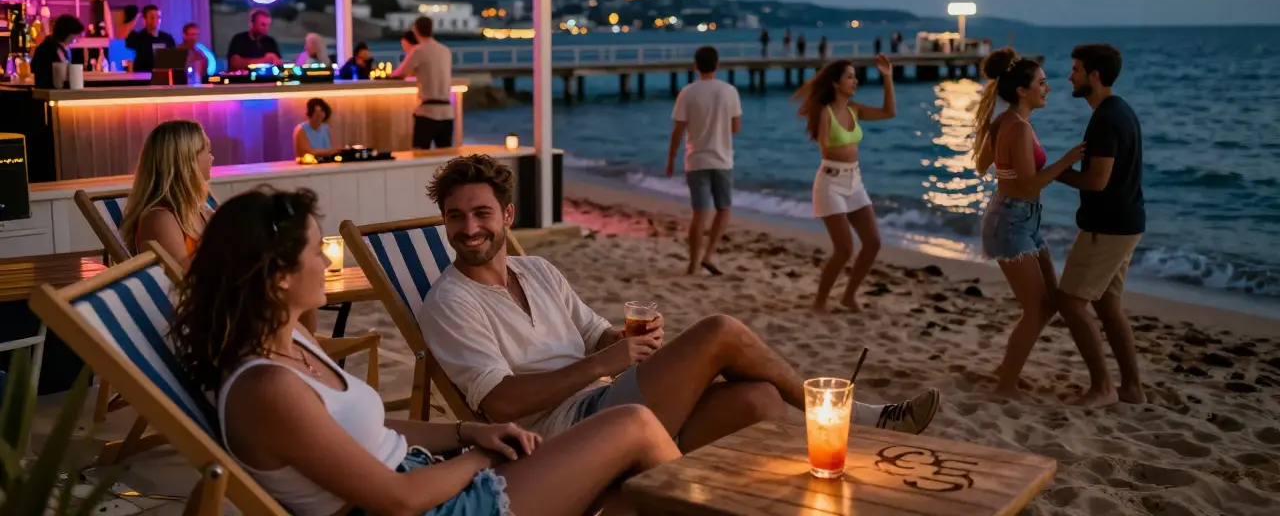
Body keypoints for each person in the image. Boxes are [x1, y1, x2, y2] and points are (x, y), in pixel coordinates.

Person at [171, 187, 680, 516]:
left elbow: (372, 431)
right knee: (632, 425)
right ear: (280, 277)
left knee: (625, 495)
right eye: (314, 251)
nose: (327, 262)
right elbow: (396, 499)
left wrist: (466, 431)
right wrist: (478, 457)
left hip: (435, 483)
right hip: (430, 506)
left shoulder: (291, 346)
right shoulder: (267, 388)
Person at [418, 155, 941, 454]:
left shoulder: (538, 270)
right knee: (718, 331)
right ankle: (859, 417)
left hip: (612, 403)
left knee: (758, 399)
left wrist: (626, 343)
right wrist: (603, 364)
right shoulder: (451, 301)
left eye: (481, 213)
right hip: (564, 433)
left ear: (507, 216)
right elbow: (501, 404)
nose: (469, 229)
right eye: (456, 217)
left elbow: (598, 333)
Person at [971, 49, 1084, 398]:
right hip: (1011, 220)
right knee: (1036, 310)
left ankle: (1008, 369)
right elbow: (1029, 184)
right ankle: (1006, 385)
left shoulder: (1006, 123)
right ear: (1021, 90)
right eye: (1041, 83)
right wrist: (1067, 160)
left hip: (1021, 218)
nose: (1047, 88)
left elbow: (982, 166)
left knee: (1049, 304)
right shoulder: (1016, 128)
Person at [1055, 44, 1146, 408]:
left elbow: (1097, 181)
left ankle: (1103, 387)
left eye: (1075, 69)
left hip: (1108, 228)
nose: (1070, 76)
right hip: (1127, 222)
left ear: (1093, 75)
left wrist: (1057, 173)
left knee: (1070, 302)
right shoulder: (1120, 109)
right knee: (1108, 306)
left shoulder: (1107, 118)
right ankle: (1132, 388)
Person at [793, 55, 895, 312]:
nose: (855, 80)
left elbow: (889, 112)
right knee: (844, 249)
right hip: (830, 183)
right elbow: (827, 146)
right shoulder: (824, 112)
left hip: (855, 181)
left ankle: (849, 296)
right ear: (836, 83)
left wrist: (887, 78)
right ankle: (820, 301)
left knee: (873, 242)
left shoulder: (855, 110)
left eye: (854, 76)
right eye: (849, 77)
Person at [664, 46, 742, 276]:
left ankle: (693, 263)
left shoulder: (687, 92)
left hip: (695, 160)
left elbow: (677, 131)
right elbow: (736, 128)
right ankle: (709, 254)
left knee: (699, 213)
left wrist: (670, 159)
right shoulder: (729, 91)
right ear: (717, 65)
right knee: (723, 209)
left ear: (696, 66)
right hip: (722, 160)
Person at [119, 120, 215, 267]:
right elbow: (184, 281)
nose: (212, 159)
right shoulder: (159, 219)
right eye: (208, 151)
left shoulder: (202, 212)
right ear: (187, 161)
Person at [392, 17, 454, 150]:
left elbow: (399, 74)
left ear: (415, 30)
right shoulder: (445, 50)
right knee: (445, 158)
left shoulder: (418, 50)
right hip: (447, 112)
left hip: (428, 112)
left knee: (419, 155)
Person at [31, 15, 82, 89]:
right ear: (67, 33)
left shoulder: (59, 48)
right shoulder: (47, 48)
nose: (74, 40)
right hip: (49, 93)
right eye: (74, 37)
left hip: (54, 92)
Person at [124, 5, 176, 73]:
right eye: (152, 17)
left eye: (158, 17)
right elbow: (126, 39)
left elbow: (174, 59)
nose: (156, 20)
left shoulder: (167, 38)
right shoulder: (137, 37)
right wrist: (135, 19)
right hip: (141, 77)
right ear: (145, 19)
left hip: (162, 77)